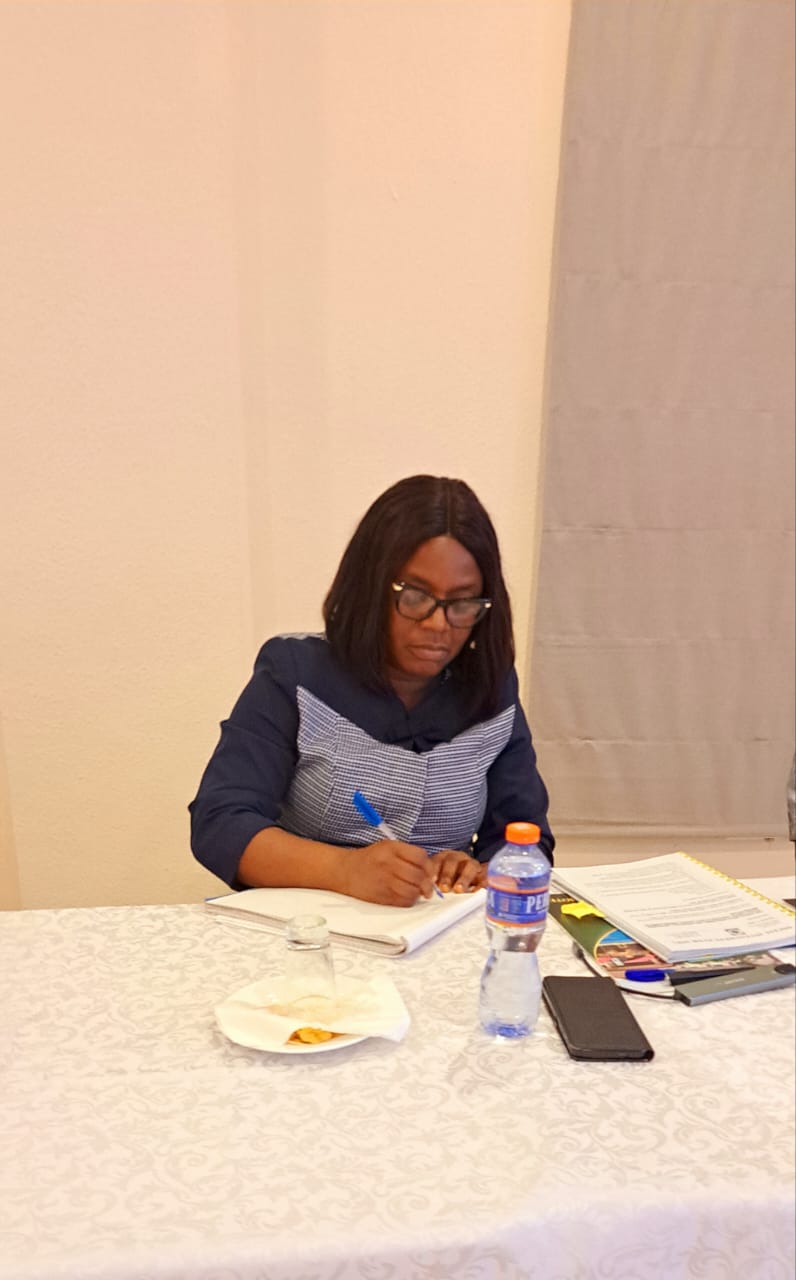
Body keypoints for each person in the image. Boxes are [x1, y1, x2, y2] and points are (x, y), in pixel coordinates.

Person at [189, 474, 553, 906]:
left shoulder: (490, 688)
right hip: (306, 926)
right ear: (370, 587)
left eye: (462, 604)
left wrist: (480, 871)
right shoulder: (296, 674)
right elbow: (221, 822)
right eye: (415, 597)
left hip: (435, 927)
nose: (438, 624)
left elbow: (524, 838)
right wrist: (344, 870)